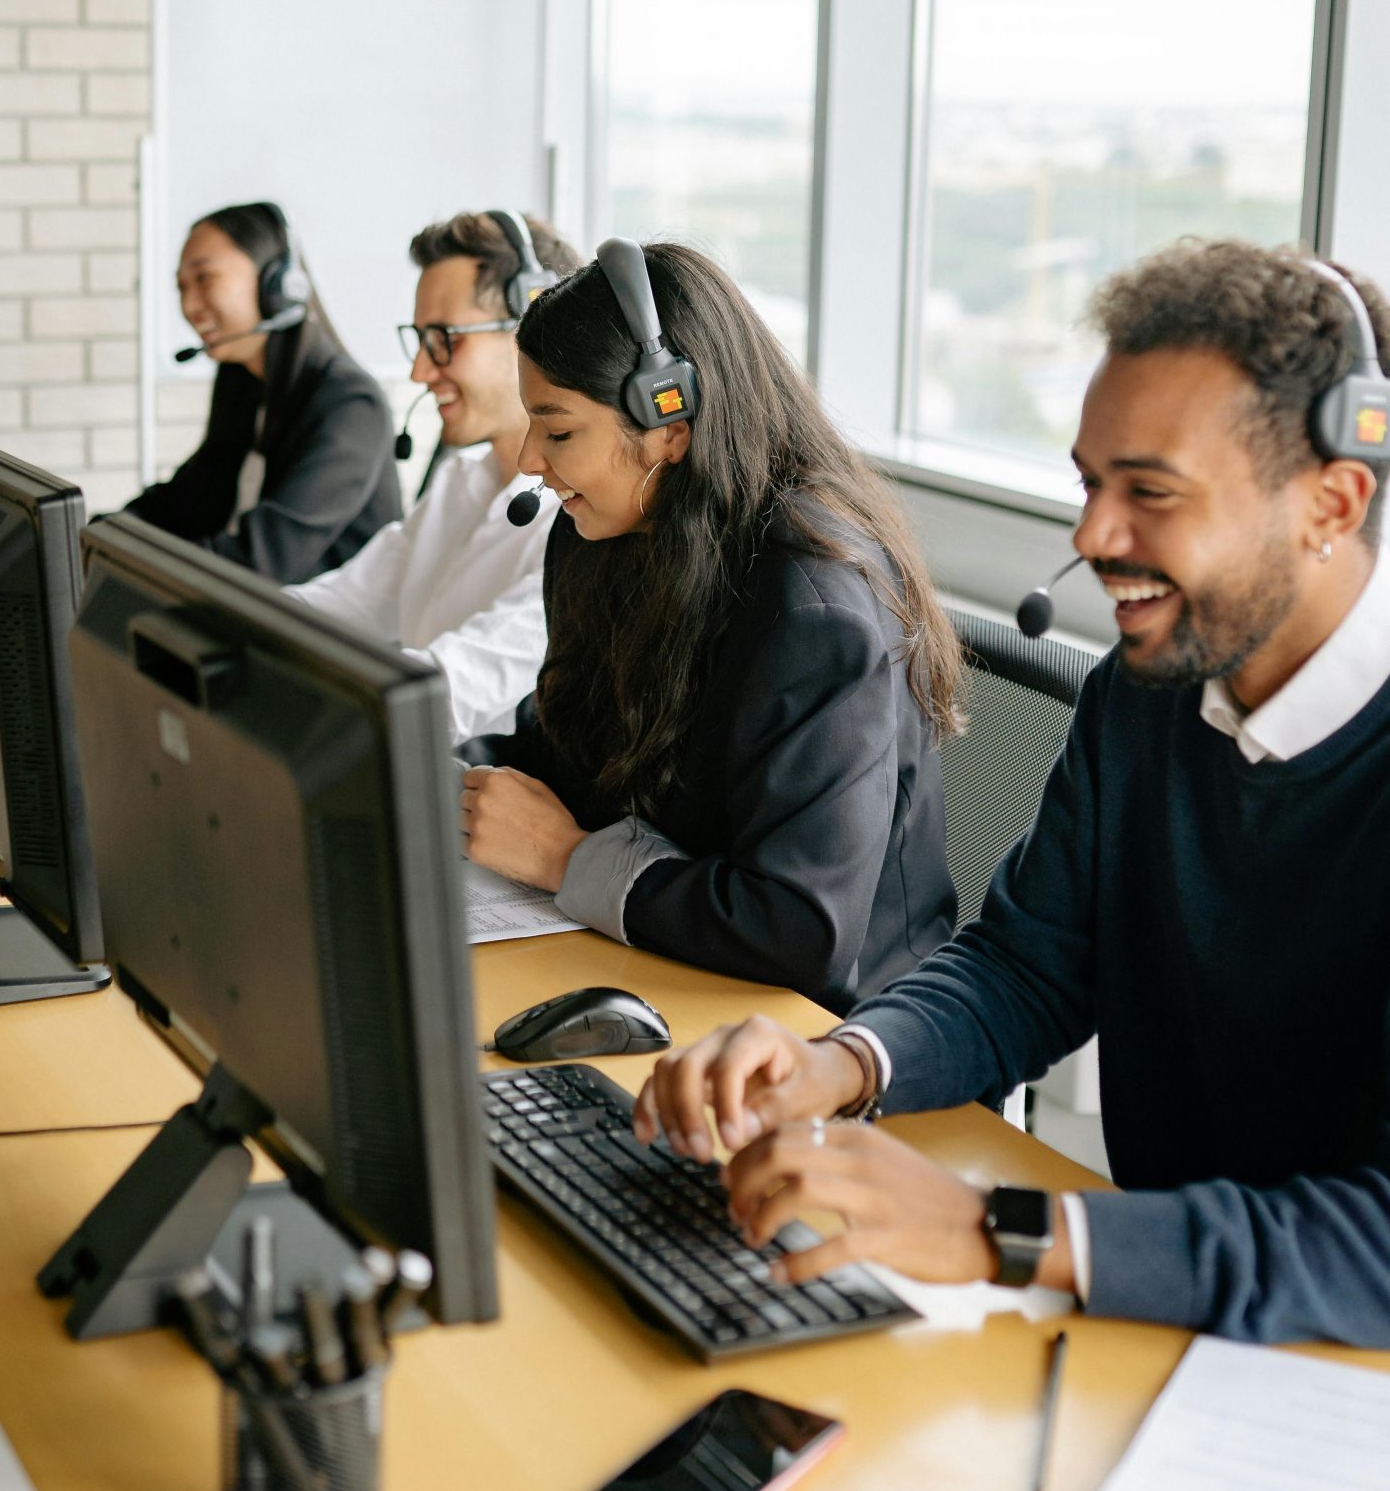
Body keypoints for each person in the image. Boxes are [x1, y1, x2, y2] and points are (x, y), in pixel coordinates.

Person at [636, 239, 1390, 1349]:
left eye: (1151, 493)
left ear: (1332, 501)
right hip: (1170, 1323)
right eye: (1091, 483)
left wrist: (1007, 1233)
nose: (1091, 537)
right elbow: (1028, 964)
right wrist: (836, 1067)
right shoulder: (1148, 694)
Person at [460, 238, 960, 1003]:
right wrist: (435, 779)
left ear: (670, 421)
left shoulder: (814, 608)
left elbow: (799, 930)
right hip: (663, 970)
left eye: (557, 430)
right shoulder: (605, 535)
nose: (530, 457)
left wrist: (567, 863)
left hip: (828, 1035)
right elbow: (568, 745)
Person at [288, 208, 582, 740]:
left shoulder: (582, 518)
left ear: (536, 325)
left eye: (445, 338)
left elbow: (449, 694)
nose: (420, 371)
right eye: (421, 339)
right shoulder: (461, 481)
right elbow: (344, 603)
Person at [126, 201, 399, 585]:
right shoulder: (242, 379)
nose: (189, 306)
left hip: (327, 631)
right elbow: (190, 497)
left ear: (279, 285)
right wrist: (101, 534)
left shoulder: (351, 404)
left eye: (205, 279)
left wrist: (130, 563)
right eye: (181, 287)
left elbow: (262, 561)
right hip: (259, 612)